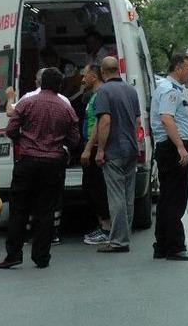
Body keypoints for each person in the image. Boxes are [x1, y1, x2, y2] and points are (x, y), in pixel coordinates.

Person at [0, 68, 80, 269]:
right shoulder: (66, 107)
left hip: (28, 161)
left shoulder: (27, 102)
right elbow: (75, 139)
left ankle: (14, 254)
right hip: (53, 164)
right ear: (60, 85)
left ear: (41, 82)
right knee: (46, 210)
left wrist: (24, 142)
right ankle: (41, 256)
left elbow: (10, 130)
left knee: (19, 209)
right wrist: (61, 149)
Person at [151, 54, 188, 261]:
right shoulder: (170, 91)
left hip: (167, 146)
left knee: (166, 198)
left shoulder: (167, 88)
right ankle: (175, 246)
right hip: (172, 147)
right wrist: (180, 147)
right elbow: (166, 119)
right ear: (178, 68)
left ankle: (162, 244)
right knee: (175, 199)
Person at [93, 57, 141, 253]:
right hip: (131, 148)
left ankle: (119, 241)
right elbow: (137, 121)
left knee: (116, 197)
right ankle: (125, 235)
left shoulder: (103, 91)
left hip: (114, 150)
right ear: (118, 70)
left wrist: (101, 149)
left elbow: (104, 121)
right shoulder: (131, 90)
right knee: (128, 196)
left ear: (103, 72)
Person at [79, 65, 110, 245]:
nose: (82, 79)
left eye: (85, 75)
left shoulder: (100, 96)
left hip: (96, 146)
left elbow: (100, 123)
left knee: (99, 189)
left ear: (94, 76)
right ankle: (102, 225)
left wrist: (90, 148)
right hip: (91, 146)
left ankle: (106, 228)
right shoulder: (93, 96)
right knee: (90, 189)